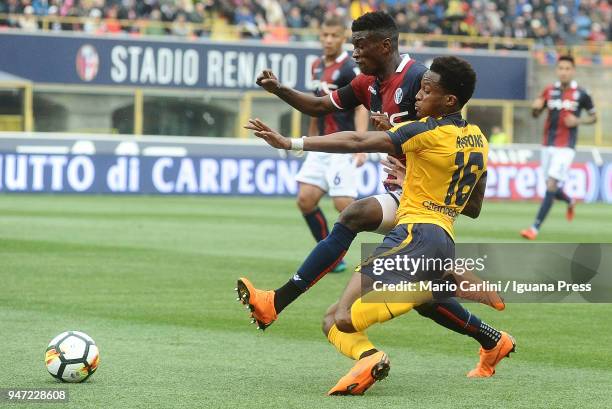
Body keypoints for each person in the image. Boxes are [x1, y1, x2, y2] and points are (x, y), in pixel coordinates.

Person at [237, 11, 505, 365]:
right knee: (423, 297)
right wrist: (281, 90)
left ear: (385, 45)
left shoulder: (417, 78)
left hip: (421, 195)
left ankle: (280, 302)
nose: (355, 53)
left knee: (354, 216)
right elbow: (320, 105)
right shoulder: (368, 84)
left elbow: (440, 133)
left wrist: (293, 143)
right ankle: (489, 335)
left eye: (360, 45)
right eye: (353, 45)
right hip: (410, 197)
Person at [295, 15, 369, 273]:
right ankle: (331, 257)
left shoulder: (350, 68)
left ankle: (393, 247)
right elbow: (315, 107)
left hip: (343, 143)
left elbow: (361, 107)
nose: (328, 40)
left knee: (344, 206)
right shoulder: (315, 65)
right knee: (305, 199)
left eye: (333, 36)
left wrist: (361, 144)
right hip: (320, 145)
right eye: (324, 35)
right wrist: (308, 142)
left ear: (342, 38)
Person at [521, 55, 597, 240]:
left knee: (552, 184)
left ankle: (534, 228)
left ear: (573, 71)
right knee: (550, 186)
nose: (564, 71)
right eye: (561, 68)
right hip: (547, 145)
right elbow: (535, 114)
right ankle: (570, 200)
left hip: (566, 147)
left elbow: (594, 117)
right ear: (557, 70)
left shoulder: (582, 93)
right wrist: (535, 108)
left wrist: (578, 120)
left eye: (567, 68)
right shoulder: (548, 91)